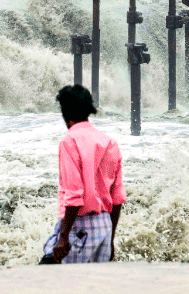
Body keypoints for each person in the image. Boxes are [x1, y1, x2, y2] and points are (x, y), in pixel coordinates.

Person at [41, 85, 126, 263]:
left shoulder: (70, 141)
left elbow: (74, 194)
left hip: (80, 227)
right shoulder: (109, 142)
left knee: (56, 274)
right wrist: (110, 240)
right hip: (105, 226)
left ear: (64, 112)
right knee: (95, 280)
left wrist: (63, 237)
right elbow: (117, 198)